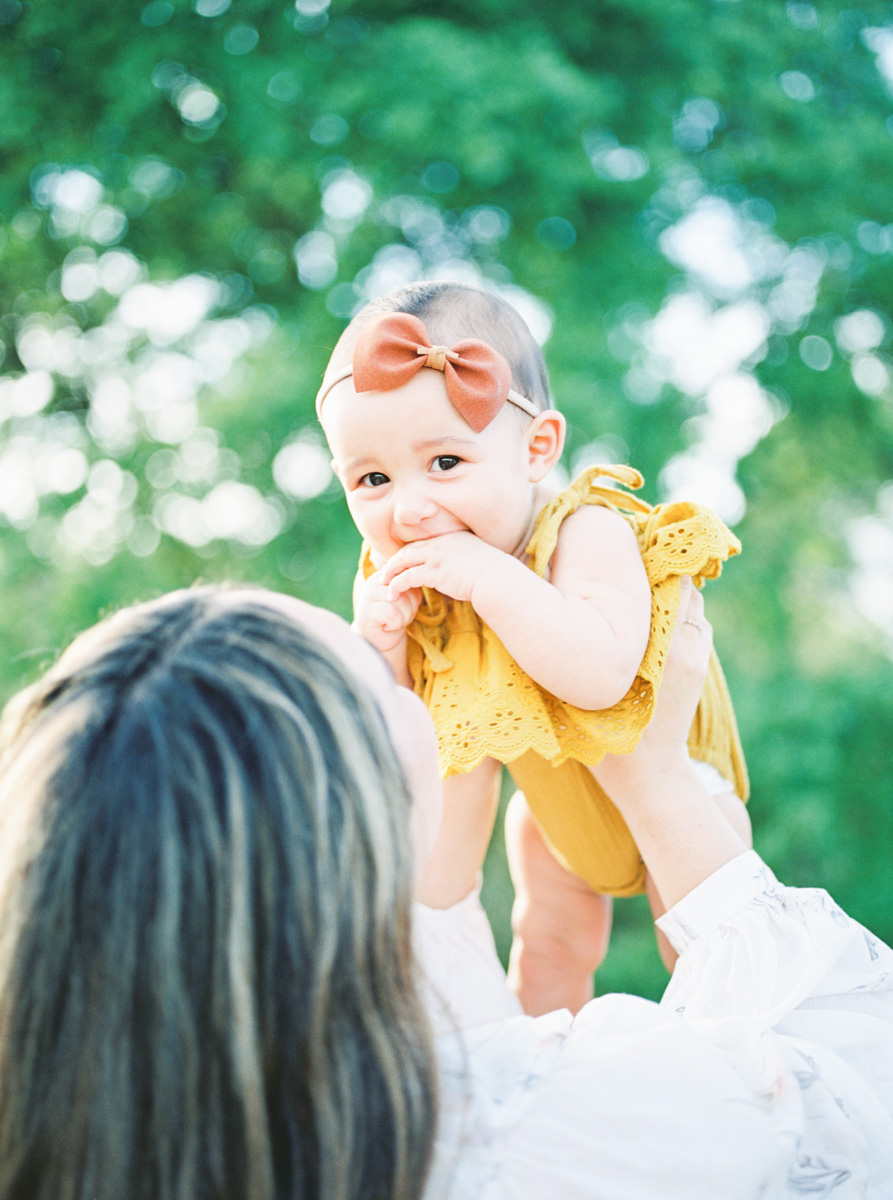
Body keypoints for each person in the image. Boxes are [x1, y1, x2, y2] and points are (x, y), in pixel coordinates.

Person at [0, 581, 892, 1200]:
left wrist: (444, 870)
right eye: (366, 673)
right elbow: (857, 1090)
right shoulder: (545, 1133)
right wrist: (655, 778)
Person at [315, 279, 751, 1013]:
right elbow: (405, 727)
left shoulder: (583, 531)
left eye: (445, 463)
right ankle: (546, 1062)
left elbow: (600, 676)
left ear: (536, 448)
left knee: (703, 957)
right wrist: (381, 642)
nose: (411, 507)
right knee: (545, 951)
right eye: (373, 480)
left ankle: (717, 1071)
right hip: (553, 806)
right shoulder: (405, 576)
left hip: (674, 789)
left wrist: (490, 578)